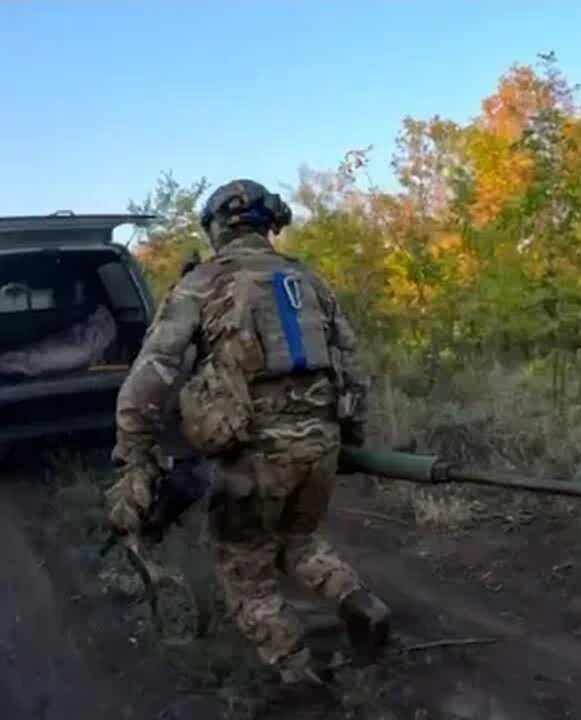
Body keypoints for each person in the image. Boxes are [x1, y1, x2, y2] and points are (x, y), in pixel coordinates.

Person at [106, 178, 390, 688]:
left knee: (244, 568)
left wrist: (134, 456)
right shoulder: (309, 281)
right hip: (320, 443)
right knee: (299, 540)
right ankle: (361, 603)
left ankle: (299, 676)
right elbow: (353, 368)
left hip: (256, 457)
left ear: (218, 226)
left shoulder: (203, 283)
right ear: (268, 225)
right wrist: (352, 438)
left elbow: (149, 377)